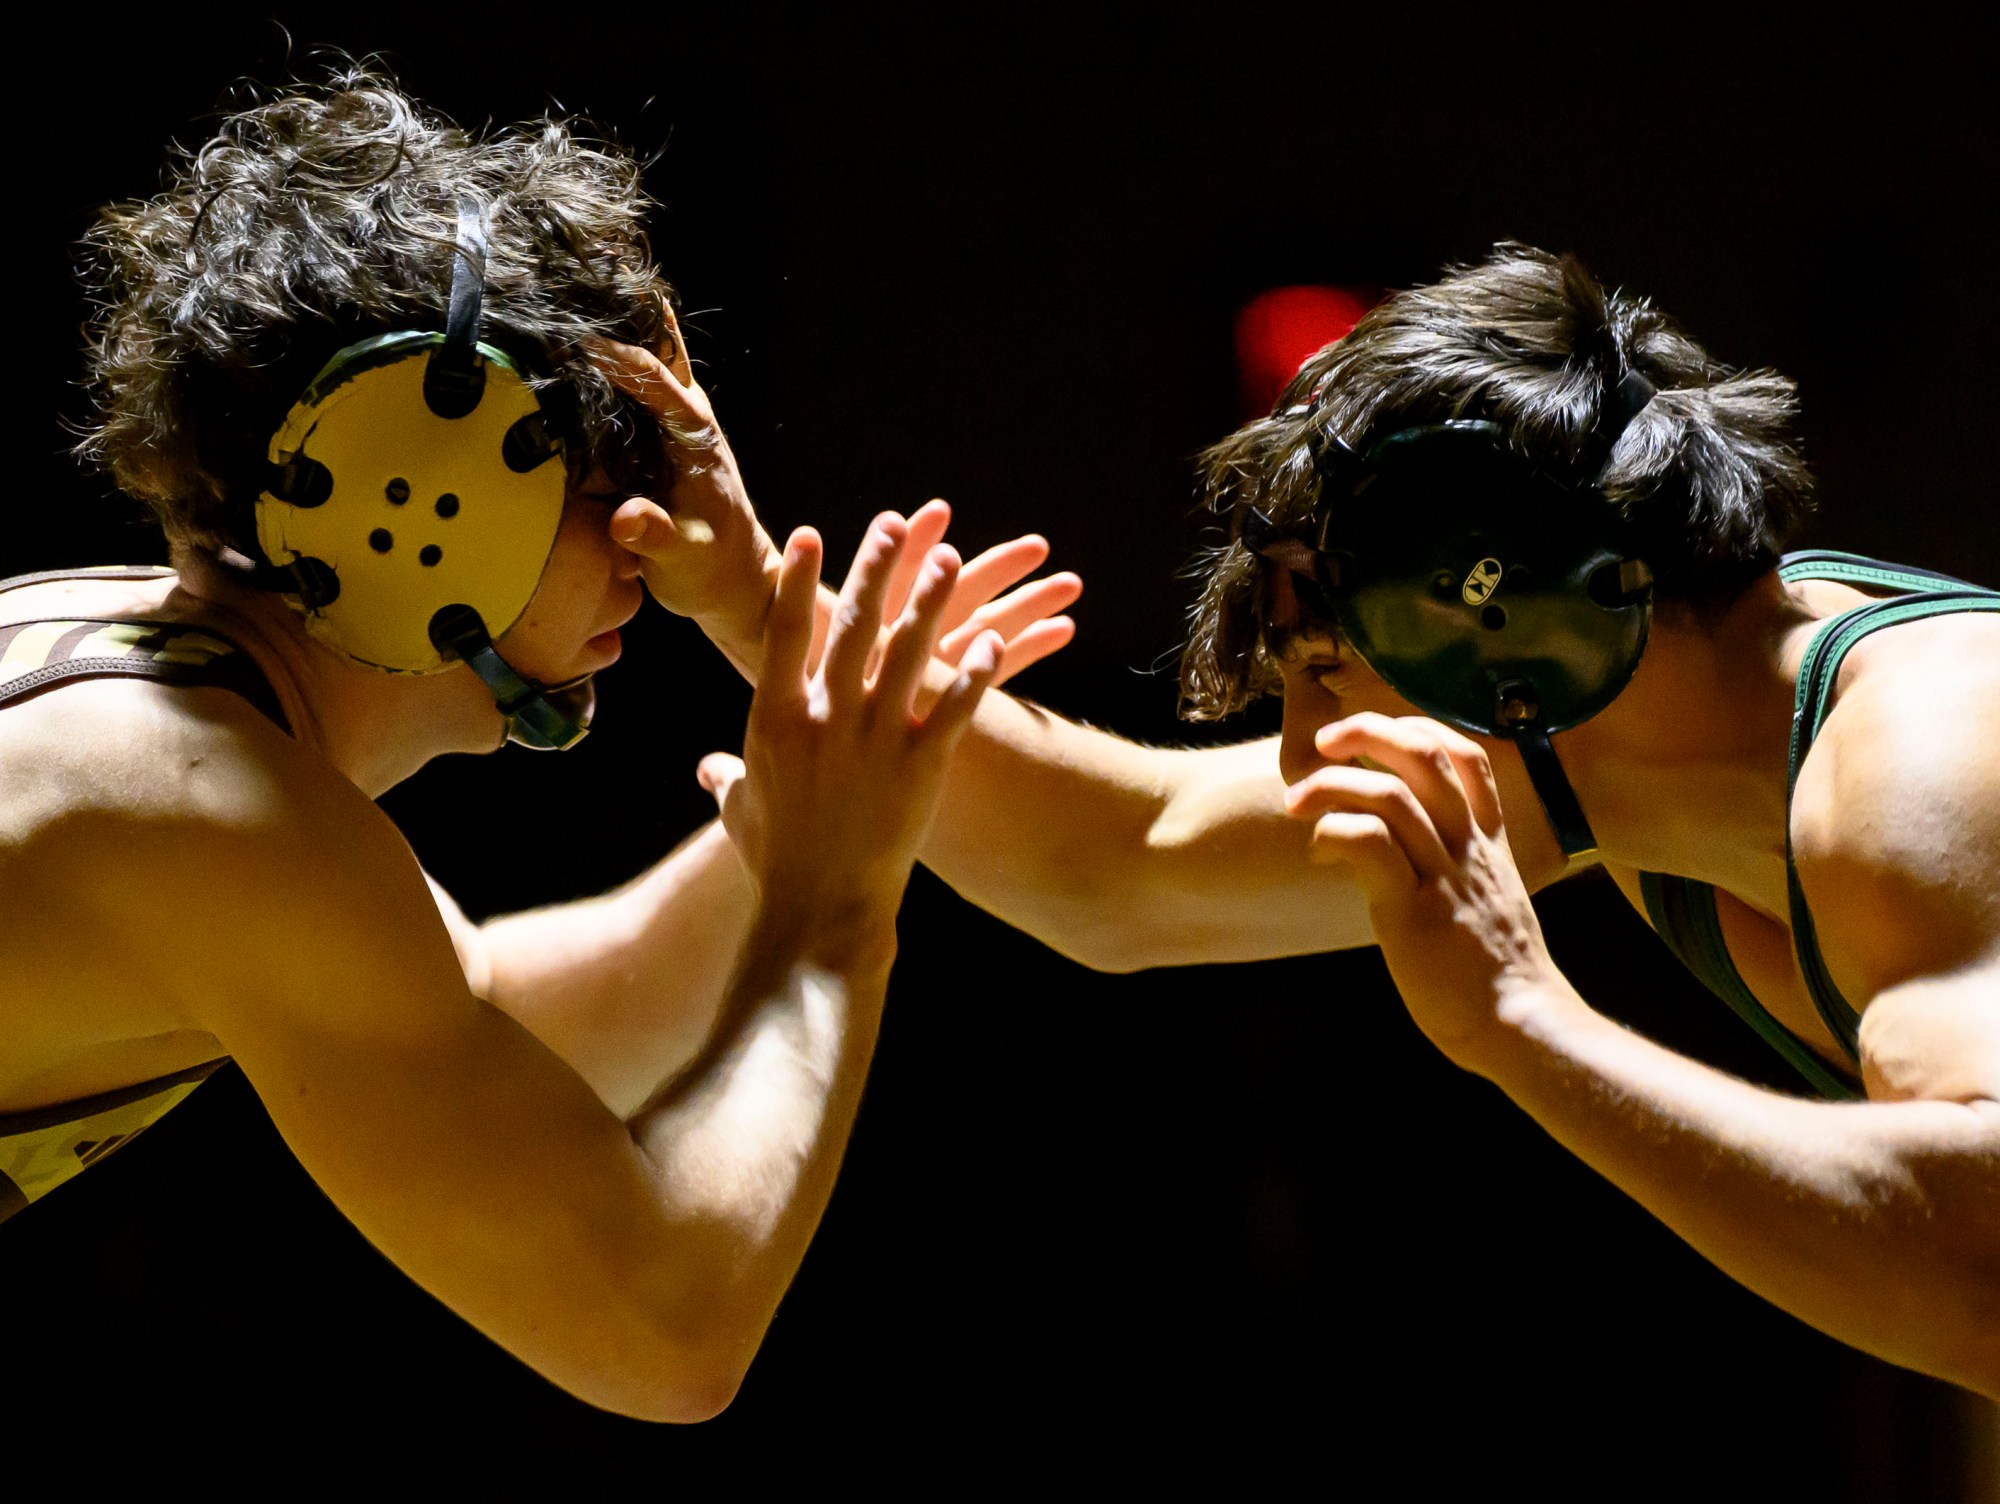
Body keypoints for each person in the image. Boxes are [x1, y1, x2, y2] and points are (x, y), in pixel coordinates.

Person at [637, 244, 2000, 1400]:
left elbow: (1984, 1273)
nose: (1298, 757)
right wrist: (748, 596)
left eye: (1327, 674)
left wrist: (1527, 1025)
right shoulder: (1604, 744)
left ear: (1502, 622)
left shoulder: (1922, 763)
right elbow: (1124, 866)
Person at [0, 76, 1082, 1420]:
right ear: (424, 493)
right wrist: (834, 910)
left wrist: (815, 814)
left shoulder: (127, 676)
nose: (647, 539)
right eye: (606, 474)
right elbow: (666, 1329)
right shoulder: (197, 807)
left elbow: (491, 1024)